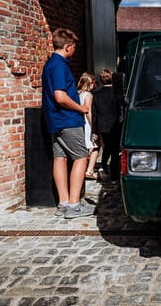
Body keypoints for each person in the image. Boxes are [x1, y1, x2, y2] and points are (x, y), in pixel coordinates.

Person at [41, 28, 95, 219]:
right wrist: (81, 109)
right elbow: (60, 96)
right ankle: (74, 205)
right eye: (74, 47)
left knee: (60, 158)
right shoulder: (59, 65)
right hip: (68, 120)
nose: (75, 51)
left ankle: (63, 203)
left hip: (55, 120)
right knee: (81, 157)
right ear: (67, 47)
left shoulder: (49, 65)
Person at [92, 68, 123, 182]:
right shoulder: (117, 94)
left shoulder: (96, 94)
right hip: (115, 125)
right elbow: (121, 110)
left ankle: (104, 166)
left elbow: (94, 114)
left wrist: (94, 131)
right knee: (115, 151)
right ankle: (114, 176)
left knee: (107, 147)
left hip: (102, 126)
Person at [77, 72, 99, 180]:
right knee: (95, 147)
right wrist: (94, 127)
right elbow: (88, 112)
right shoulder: (88, 95)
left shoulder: (78, 94)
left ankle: (83, 170)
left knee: (84, 149)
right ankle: (89, 171)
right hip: (87, 124)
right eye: (92, 83)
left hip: (79, 123)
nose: (93, 86)